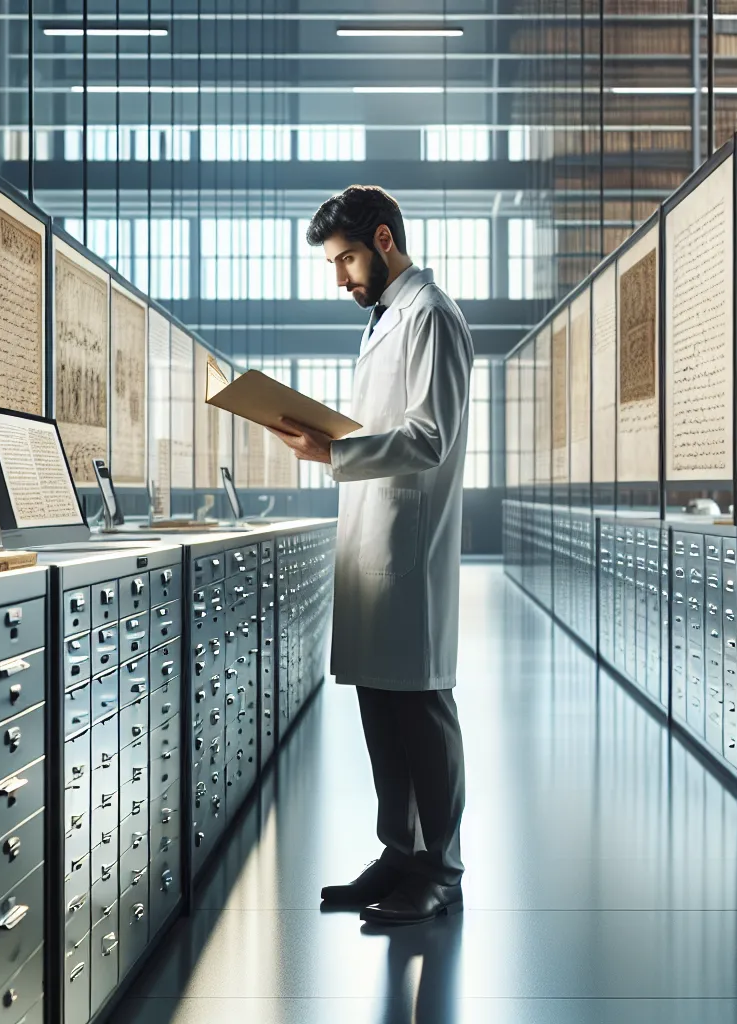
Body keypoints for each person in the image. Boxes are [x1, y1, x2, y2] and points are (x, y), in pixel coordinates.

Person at [270, 185, 474, 926]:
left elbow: (430, 436)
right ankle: (399, 852)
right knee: (379, 705)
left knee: (420, 705)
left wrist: (335, 447)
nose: (341, 278)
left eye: (348, 258)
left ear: (385, 240)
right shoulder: (388, 319)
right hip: (370, 537)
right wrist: (333, 444)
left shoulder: (432, 317)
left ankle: (440, 867)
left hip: (408, 545)